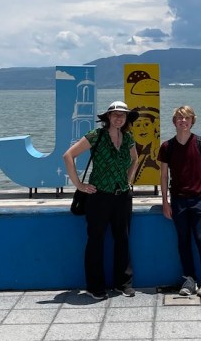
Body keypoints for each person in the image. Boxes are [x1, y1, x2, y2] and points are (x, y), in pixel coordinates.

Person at [63, 101, 139, 300]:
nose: (118, 118)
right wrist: (79, 185)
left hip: (122, 196)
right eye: (114, 115)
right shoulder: (96, 136)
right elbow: (68, 155)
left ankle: (123, 284)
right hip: (99, 196)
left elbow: (135, 160)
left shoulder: (128, 137)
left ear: (126, 119)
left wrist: (128, 182)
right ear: (107, 117)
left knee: (122, 239)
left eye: (122, 115)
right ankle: (95, 286)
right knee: (96, 241)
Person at [158, 105, 201, 297]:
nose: (183, 121)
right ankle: (189, 279)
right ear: (174, 121)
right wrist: (165, 202)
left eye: (187, 118)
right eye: (179, 118)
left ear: (192, 121)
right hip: (178, 200)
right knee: (183, 241)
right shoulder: (167, 147)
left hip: (199, 200)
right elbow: (163, 176)